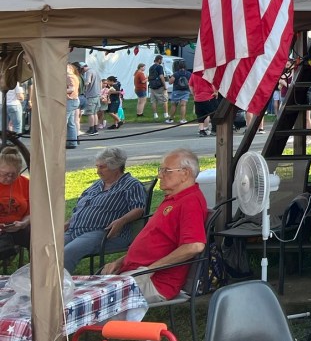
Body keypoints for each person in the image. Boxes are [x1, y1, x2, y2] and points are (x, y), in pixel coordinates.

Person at [101, 148, 207, 303]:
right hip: (137, 273)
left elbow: (194, 246)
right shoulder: (174, 198)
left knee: (93, 298)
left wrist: (149, 269)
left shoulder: (190, 202)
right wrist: (120, 262)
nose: (160, 175)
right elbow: (154, 242)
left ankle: (108, 327)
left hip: (155, 281)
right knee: (86, 290)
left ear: (185, 173)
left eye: (166, 171)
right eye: (161, 170)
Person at [63, 147, 148, 272]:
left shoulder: (131, 184)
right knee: (48, 249)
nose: (98, 171)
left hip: (104, 233)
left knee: (67, 253)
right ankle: (40, 285)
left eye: (102, 167)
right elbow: (82, 207)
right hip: (75, 230)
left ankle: (57, 288)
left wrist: (121, 221)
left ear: (116, 167)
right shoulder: (97, 185)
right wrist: (69, 222)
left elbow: (139, 209)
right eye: (97, 167)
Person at [0, 147, 30, 257]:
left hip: (18, 228)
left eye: (13, 174)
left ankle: (39, 271)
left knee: (39, 238)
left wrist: (23, 223)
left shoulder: (25, 184)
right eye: (4, 174)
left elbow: (32, 212)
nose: (9, 178)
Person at [79, 62, 102, 135]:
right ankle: (95, 129)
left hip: (91, 95)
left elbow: (88, 82)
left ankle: (91, 129)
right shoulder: (95, 71)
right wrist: (99, 91)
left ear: (82, 68)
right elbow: (100, 81)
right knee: (95, 113)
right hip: (97, 94)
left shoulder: (88, 72)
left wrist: (82, 86)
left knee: (90, 113)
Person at [147, 55, 168, 121]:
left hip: (152, 86)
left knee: (153, 101)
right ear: (159, 60)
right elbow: (161, 76)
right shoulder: (160, 67)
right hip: (159, 86)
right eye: (161, 60)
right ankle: (166, 114)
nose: (161, 61)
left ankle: (155, 115)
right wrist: (164, 85)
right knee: (165, 100)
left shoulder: (151, 67)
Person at [66, 62, 82, 149]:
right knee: (71, 123)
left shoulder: (69, 76)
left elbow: (71, 89)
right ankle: (72, 142)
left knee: (63, 122)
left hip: (70, 100)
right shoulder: (75, 76)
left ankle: (59, 142)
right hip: (74, 100)